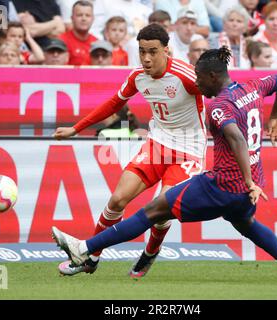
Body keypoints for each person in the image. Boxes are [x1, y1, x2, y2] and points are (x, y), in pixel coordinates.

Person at [52, 46, 277, 283]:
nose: (196, 83)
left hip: (223, 185)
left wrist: (247, 181)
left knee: (152, 211)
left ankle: (84, 248)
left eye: (199, 77)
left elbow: (236, 138)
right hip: (249, 190)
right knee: (248, 226)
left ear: (212, 76)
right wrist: (275, 117)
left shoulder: (218, 106)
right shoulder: (254, 86)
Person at [53, 23, 206, 278]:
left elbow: (217, 95)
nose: (146, 58)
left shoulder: (186, 76)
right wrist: (76, 128)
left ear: (166, 51)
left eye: (153, 52)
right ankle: (90, 257)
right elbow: (114, 102)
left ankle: (149, 253)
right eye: (142, 51)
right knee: (117, 200)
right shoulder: (138, 76)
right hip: (157, 143)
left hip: (189, 151)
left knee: (161, 209)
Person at [60, 0, 97, 66]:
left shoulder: (96, 43)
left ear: (93, 19)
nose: (83, 18)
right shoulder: (61, 41)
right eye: (79, 15)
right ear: (72, 18)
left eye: (87, 15)